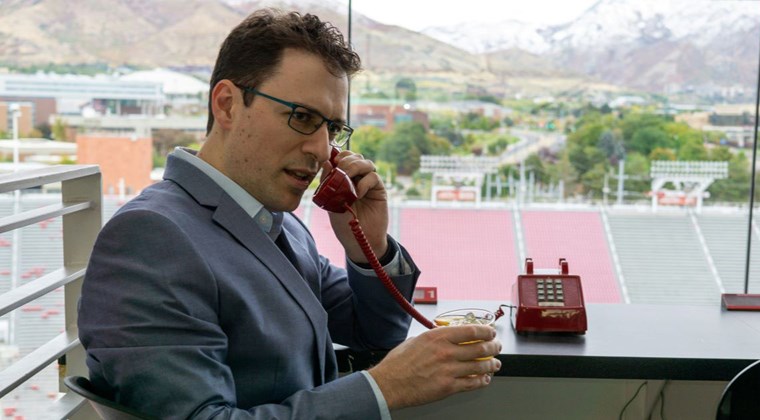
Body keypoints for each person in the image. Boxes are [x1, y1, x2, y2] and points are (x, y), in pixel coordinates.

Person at [77, 8, 502, 419]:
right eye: (301, 117)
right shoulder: (150, 238)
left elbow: (377, 330)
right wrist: (384, 389)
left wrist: (369, 247)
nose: (321, 150)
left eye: (331, 128)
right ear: (226, 105)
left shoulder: (280, 226)